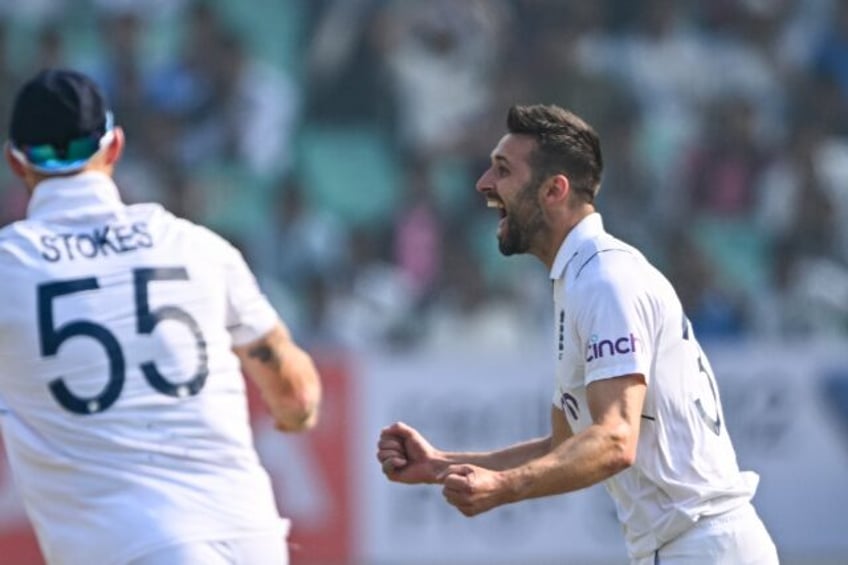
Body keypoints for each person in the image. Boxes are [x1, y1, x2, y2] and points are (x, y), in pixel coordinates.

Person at [377, 104, 779, 564]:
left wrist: (502, 489)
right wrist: (439, 465)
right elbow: (562, 446)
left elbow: (613, 440)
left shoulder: (604, 280)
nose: (484, 184)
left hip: (703, 548)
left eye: (502, 170)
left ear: (554, 189)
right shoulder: (580, 280)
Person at [0, 69, 322, 565]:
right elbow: (297, 397)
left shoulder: (10, 266)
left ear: (15, 162)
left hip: (132, 547)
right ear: (114, 147)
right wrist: (290, 416)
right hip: (250, 536)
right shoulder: (196, 245)